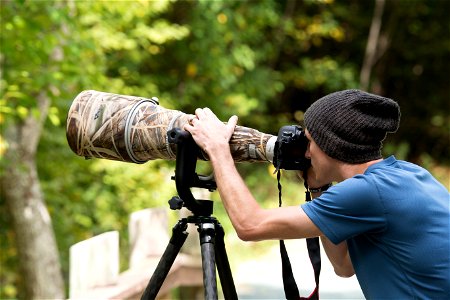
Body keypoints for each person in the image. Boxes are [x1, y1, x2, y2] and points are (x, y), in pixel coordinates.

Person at [183, 89, 450, 299]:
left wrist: (218, 149)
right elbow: (344, 266)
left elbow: (250, 225)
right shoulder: (407, 175)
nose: (306, 153)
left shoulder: (368, 192)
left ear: (331, 144)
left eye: (309, 141)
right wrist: (319, 189)